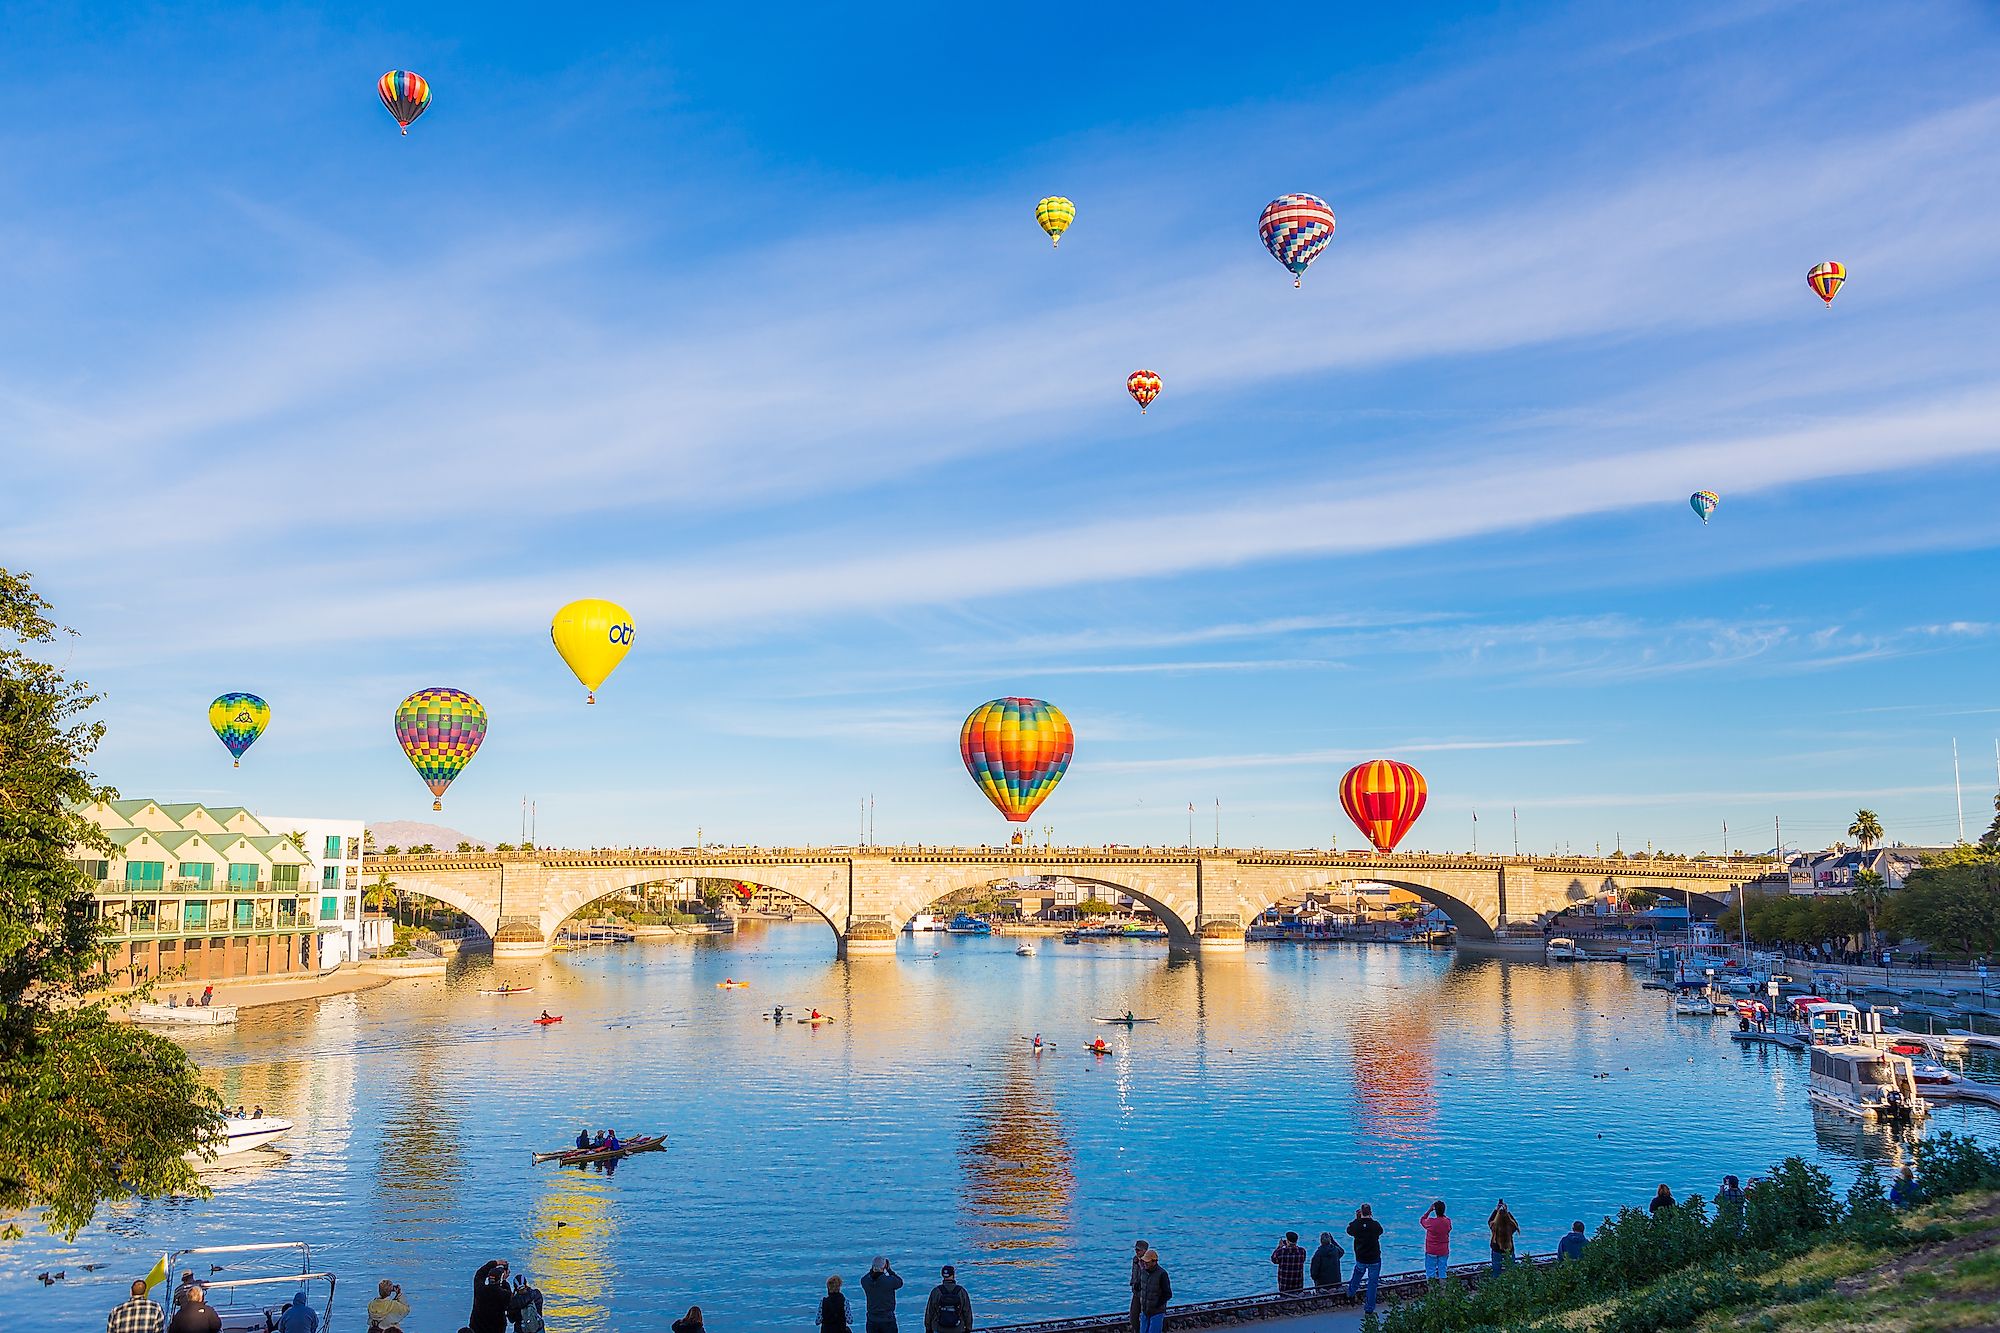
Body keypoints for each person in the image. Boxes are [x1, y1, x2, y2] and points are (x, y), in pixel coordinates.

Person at [1344, 1206, 1384, 1314]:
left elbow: (1349, 1230)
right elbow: (1380, 1231)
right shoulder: (1375, 1225)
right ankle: (1369, 1308)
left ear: (1360, 1213)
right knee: (1372, 1283)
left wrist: (1357, 1219)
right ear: (1370, 1212)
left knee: (1357, 1276)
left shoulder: (1356, 1225)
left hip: (1361, 1257)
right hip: (1374, 1258)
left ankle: (1350, 1293)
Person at [862, 1256, 904, 1333]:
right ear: (884, 1266)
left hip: (872, 1319)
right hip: (887, 1319)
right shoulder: (889, 1281)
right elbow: (900, 1282)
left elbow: (864, 1278)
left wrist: (873, 1269)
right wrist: (889, 1270)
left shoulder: (866, 1281)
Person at [924, 1265, 971, 1333]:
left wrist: (928, 1329)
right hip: (958, 1329)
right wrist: (968, 1329)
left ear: (942, 1275)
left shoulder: (936, 1291)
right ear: (953, 1275)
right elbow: (967, 1312)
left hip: (939, 1329)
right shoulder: (961, 1291)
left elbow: (929, 1313)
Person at [1134, 1249, 1171, 1333]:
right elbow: (1140, 1286)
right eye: (1144, 1261)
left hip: (1156, 1312)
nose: (1145, 1263)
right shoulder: (1143, 1272)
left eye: (1147, 1262)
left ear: (1154, 1262)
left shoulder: (1162, 1274)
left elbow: (1168, 1294)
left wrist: (1157, 1305)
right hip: (1145, 1310)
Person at [471, 1260, 512, 1333]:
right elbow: (509, 1298)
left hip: (476, 1329)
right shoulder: (504, 1294)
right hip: (496, 1329)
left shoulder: (479, 1289)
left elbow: (479, 1274)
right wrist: (504, 1281)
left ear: (488, 1278)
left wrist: (496, 1263)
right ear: (499, 1279)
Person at [1420, 1200, 1452, 1281]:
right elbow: (1449, 1228)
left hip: (1431, 1250)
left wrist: (1429, 1210)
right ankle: (1443, 1291)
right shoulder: (1447, 1221)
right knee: (1442, 1271)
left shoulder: (1431, 1222)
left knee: (1430, 1271)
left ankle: (1432, 1291)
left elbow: (1422, 1220)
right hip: (1443, 1250)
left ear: (1435, 1210)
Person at [1488, 1199, 1518, 1274]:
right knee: (1511, 1270)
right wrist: (1507, 1212)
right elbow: (1515, 1224)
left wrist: (1496, 1210)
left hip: (1497, 1250)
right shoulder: (1511, 1226)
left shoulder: (1494, 1226)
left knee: (1496, 1271)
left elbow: (1490, 1221)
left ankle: (1496, 1283)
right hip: (1509, 1249)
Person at [1127, 1239, 1149, 1333]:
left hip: (1146, 1293)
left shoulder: (1149, 1262)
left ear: (1145, 1251)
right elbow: (1134, 1273)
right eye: (1136, 1249)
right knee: (1133, 1316)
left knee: (1146, 1316)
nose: (1136, 1252)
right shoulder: (1135, 1259)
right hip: (1136, 1292)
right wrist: (1133, 1283)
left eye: (1138, 1250)